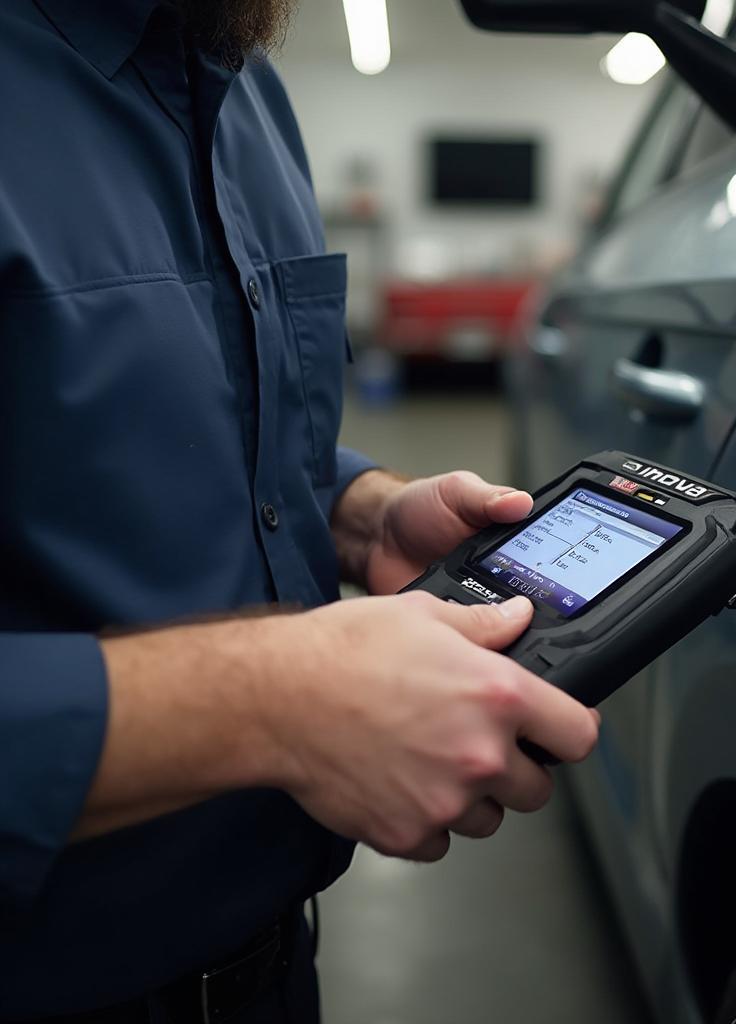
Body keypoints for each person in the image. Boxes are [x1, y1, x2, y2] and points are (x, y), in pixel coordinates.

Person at [0, 1, 599, 1019]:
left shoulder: (241, 84)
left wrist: (359, 512)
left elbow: (167, 432)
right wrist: (273, 700)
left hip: (272, 965)